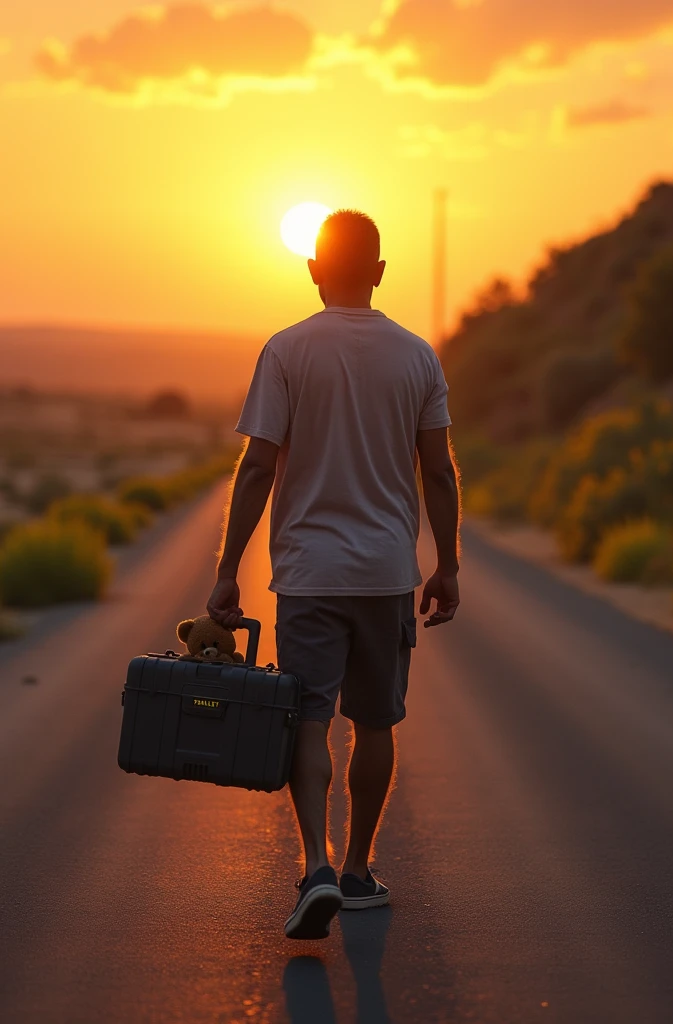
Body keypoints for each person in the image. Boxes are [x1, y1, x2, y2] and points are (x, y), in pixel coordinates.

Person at [207, 209, 460, 940]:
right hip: (385, 575)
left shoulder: (286, 350)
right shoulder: (418, 356)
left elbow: (258, 465)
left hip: (309, 574)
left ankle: (313, 865)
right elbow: (437, 471)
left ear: (313, 269)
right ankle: (356, 870)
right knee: (375, 722)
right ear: (380, 270)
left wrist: (228, 571)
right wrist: (446, 564)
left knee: (309, 717)